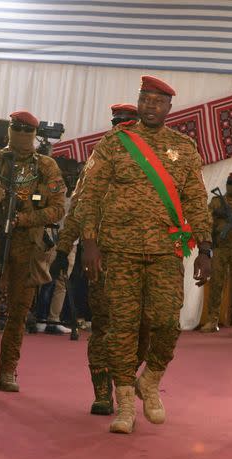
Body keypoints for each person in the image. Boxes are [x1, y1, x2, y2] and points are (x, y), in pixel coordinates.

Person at [77, 76, 212, 434]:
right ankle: (124, 402)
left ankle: (150, 378)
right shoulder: (114, 142)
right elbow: (89, 194)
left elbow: (197, 201)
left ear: (169, 108)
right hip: (118, 250)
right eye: (146, 99)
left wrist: (206, 248)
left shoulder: (183, 147)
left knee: (167, 321)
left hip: (166, 250)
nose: (151, 105)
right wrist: (89, 242)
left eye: (158, 101)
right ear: (138, 101)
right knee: (121, 327)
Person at [50, 102, 149, 415]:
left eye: (129, 123)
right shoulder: (99, 163)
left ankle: (126, 376)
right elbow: (78, 210)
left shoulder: (152, 166)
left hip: (143, 260)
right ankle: (104, 392)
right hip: (103, 259)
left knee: (145, 326)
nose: (123, 128)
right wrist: (64, 249)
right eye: (117, 123)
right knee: (104, 328)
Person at [0, 110, 66, 393]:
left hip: (29, 246)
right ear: (9, 130)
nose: (21, 134)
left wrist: (25, 218)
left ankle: (8, 370)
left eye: (27, 130)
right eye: (16, 128)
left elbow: (58, 208)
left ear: (34, 134)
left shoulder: (46, 166)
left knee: (19, 311)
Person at [200, 172, 232, 333]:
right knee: (216, 284)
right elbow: (207, 220)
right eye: (230, 184)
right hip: (220, 248)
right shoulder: (217, 201)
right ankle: (212, 319)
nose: (231, 187)